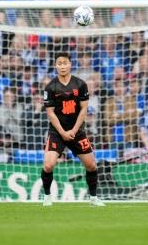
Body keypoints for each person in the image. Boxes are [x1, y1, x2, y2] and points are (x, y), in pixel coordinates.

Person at [41, 52, 105, 207]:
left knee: (91, 165)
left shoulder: (80, 84)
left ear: (70, 64)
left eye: (65, 63)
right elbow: (50, 113)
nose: (62, 66)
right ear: (55, 66)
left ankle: (93, 198)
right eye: (59, 63)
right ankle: (47, 196)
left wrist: (74, 130)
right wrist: (63, 132)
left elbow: (84, 110)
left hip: (77, 132)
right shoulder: (50, 87)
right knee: (48, 165)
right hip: (57, 132)